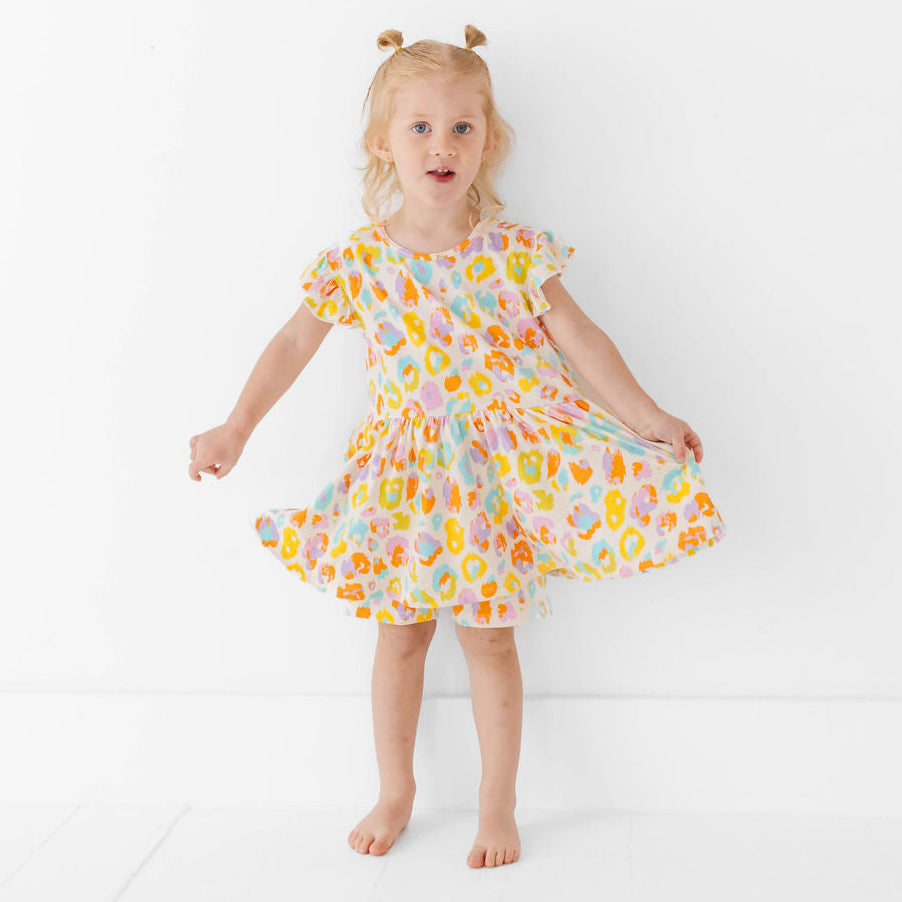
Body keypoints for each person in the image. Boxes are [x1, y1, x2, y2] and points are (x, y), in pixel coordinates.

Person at [188, 24, 727, 869]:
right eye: (421, 128)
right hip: (404, 483)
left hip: (495, 478)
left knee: (489, 638)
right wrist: (236, 425)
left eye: (463, 128)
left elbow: (582, 341)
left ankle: (495, 804)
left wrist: (648, 417)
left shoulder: (516, 254)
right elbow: (293, 344)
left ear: (489, 140)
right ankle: (395, 789)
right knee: (399, 633)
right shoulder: (361, 262)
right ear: (382, 143)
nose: (443, 146)